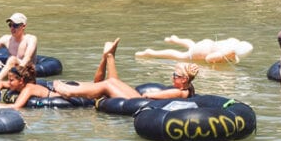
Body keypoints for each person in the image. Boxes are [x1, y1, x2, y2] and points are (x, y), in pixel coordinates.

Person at [54, 40, 197, 100]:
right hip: (138, 99)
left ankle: (70, 91)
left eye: (175, 75)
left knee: (108, 84)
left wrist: (147, 94)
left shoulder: (178, 92)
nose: (172, 77)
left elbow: (149, 97)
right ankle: (109, 57)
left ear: (183, 79)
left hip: (138, 103)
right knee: (113, 81)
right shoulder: (187, 88)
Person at [0, 12, 38, 81]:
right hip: (10, 68)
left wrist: (16, 72)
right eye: (10, 25)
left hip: (25, 70)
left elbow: (27, 58)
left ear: (23, 26)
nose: (12, 28)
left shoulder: (31, 39)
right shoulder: (6, 38)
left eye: (15, 25)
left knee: (12, 59)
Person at [135, 35, 253, 64]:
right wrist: (222, 57)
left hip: (207, 43)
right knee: (180, 56)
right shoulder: (226, 52)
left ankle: (175, 39)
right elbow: (208, 59)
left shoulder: (234, 41)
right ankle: (151, 53)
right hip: (201, 53)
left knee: (192, 45)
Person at [0, 63, 65, 109]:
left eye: (11, 80)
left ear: (21, 81)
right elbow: (1, 83)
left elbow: (16, 106)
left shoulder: (29, 88)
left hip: (61, 99)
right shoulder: (16, 85)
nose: (8, 82)